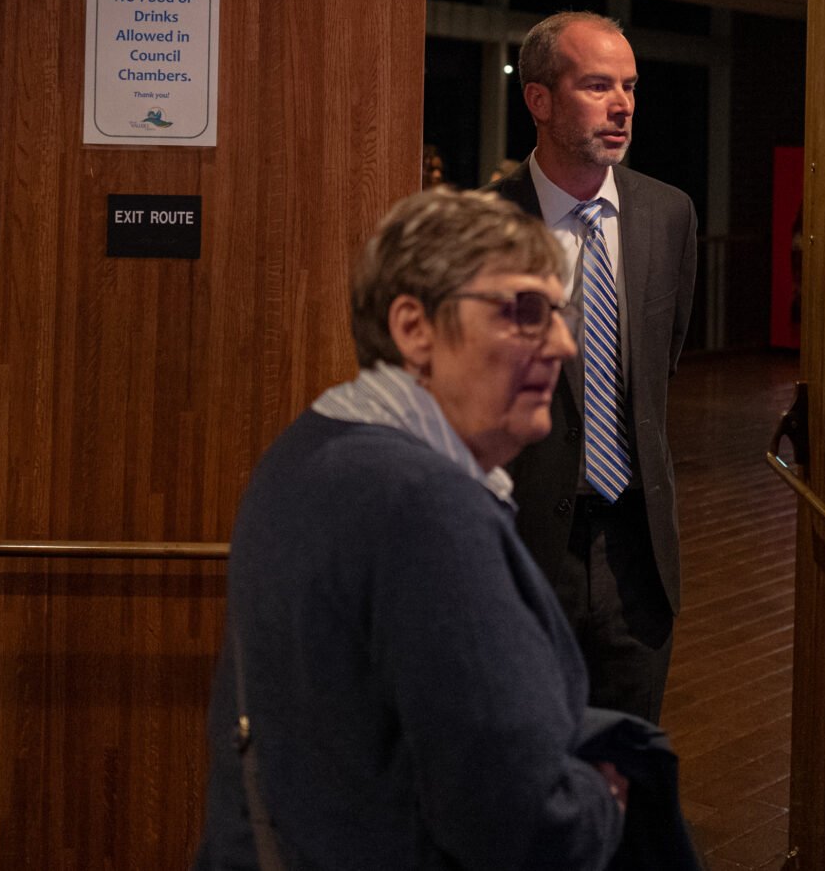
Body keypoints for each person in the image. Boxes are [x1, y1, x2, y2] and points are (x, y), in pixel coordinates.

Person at [194, 187, 626, 869]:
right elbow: (518, 818)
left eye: (562, 313)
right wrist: (603, 802)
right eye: (527, 312)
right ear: (414, 328)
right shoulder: (423, 506)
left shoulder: (310, 448)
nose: (565, 344)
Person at [491, 12, 698, 724]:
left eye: (631, 87)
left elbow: (661, 358)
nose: (623, 106)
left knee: (627, 768)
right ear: (540, 101)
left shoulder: (668, 215)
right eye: (598, 85)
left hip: (635, 551)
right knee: (523, 765)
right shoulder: (483, 227)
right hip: (520, 548)